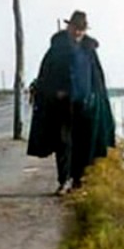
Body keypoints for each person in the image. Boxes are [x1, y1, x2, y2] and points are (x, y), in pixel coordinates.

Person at [27, 10, 115, 194]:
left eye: (81, 30)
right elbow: (46, 75)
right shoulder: (57, 49)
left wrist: (94, 98)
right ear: (69, 27)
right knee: (63, 142)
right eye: (75, 28)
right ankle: (64, 180)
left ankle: (78, 179)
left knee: (83, 143)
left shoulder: (89, 50)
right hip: (61, 105)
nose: (77, 32)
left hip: (84, 106)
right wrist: (54, 92)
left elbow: (96, 78)